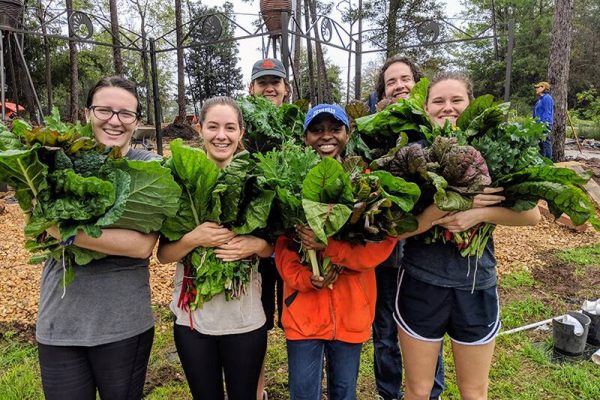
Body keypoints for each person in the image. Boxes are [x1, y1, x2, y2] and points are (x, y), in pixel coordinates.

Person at [275, 104, 448, 400]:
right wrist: (306, 278)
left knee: (345, 391)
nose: (326, 136)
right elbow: (281, 250)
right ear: (305, 137)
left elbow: (380, 247)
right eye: (317, 130)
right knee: (303, 393)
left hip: (352, 312)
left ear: (347, 133)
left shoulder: (367, 180)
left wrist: (328, 247)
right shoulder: (289, 179)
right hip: (303, 311)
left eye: (335, 129)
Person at [395, 72, 541, 400]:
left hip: (476, 285)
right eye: (439, 101)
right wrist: (447, 207)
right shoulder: (415, 152)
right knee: (418, 390)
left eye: (456, 100)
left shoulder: (494, 148)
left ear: (471, 105)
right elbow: (403, 228)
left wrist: (478, 212)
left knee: (474, 392)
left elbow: (532, 215)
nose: (448, 108)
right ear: (426, 107)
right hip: (422, 282)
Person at [36, 76, 160, 400]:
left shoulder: (149, 168)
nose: (114, 121)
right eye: (104, 110)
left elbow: (141, 245)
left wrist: (65, 231)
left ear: (137, 121)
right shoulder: (57, 161)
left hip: (122, 323)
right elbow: (35, 220)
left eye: (125, 113)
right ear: (87, 113)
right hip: (58, 321)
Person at [157, 96, 272, 400]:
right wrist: (193, 238)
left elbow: (273, 248)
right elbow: (163, 254)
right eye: (213, 127)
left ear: (241, 133)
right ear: (200, 129)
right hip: (193, 319)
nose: (222, 135)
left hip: (244, 317)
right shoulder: (179, 176)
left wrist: (257, 243)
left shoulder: (257, 179)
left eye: (230, 128)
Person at [371, 55, 445, 400]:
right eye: (391, 81)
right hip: (387, 239)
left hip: (427, 242)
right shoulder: (373, 128)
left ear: (418, 83)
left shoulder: (435, 126)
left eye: (405, 79)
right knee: (384, 326)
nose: (399, 85)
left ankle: (432, 392)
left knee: (427, 326)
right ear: (382, 91)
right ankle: (389, 392)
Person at [248, 57, 291, 400]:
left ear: (285, 90)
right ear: (251, 88)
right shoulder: (243, 126)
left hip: (293, 244)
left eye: (275, 82)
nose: (269, 87)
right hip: (255, 245)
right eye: (262, 82)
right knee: (256, 324)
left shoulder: (296, 128)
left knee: (295, 321)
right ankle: (258, 390)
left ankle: (301, 383)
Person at [533, 81, 554, 160]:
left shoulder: (547, 98)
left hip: (544, 124)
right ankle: (542, 160)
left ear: (543, 88)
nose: (536, 89)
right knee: (540, 144)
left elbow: (547, 112)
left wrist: (545, 124)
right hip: (538, 125)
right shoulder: (540, 100)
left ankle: (549, 161)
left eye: (538, 87)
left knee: (546, 143)